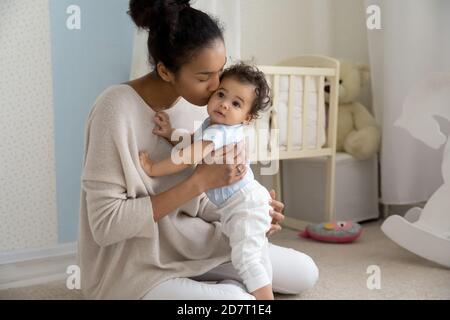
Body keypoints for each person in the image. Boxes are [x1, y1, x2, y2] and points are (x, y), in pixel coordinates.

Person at [77, 0, 319, 300]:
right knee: (239, 303)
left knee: (305, 273)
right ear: (166, 71)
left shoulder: (206, 108)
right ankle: (225, 291)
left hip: (192, 246)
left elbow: (201, 203)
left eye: (220, 71)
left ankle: (218, 286)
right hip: (134, 266)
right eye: (204, 77)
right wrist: (199, 181)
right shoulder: (114, 108)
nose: (216, 88)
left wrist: (246, 214)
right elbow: (105, 225)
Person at [139, 63, 275, 300]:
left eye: (236, 103)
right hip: (243, 203)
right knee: (253, 255)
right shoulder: (213, 126)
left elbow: (188, 156)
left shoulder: (221, 132)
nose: (224, 104)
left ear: (247, 118)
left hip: (244, 206)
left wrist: (153, 168)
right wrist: (170, 133)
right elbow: (193, 143)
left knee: (247, 259)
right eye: (221, 94)